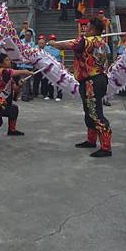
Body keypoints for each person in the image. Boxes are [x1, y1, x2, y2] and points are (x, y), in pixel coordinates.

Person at [49, 17, 112, 157]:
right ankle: (91, 140)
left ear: (94, 29)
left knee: (95, 113)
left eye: (88, 27)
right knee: (90, 111)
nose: (85, 29)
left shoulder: (87, 41)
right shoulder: (101, 42)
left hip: (92, 81)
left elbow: (69, 45)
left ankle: (106, 147)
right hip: (95, 79)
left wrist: (53, 44)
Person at [0, 53, 33, 135]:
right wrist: (25, 71)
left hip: (3, 102)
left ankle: (12, 130)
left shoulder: (9, 76)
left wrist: (20, 85)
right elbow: (12, 72)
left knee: (14, 109)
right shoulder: (2, 71)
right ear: (1, 63)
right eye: (6, 60)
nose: (9, 61)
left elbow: (15, 89)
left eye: (8, 59)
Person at [43, 35, 63, 101]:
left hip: (57, 65)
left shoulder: (59, 47)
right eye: (51, 39)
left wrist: (62, 65)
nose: (53, 41)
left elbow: (62, 57)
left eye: (54, 39)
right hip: (49, 66)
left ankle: (59, 95)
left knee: (58, 81)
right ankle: (50, 95)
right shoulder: (46, 48)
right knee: (49, 80)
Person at [18, 30, 36, 101]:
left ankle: (26, 94)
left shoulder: (32, 44)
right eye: (26, 35)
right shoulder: (20, 42)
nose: (27, 36)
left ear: (31, 36)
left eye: (29, 35)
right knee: (22, 80)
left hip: (29, 65)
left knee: (27, 81)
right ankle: (24, 95)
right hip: (21, 64)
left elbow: (33, 54)